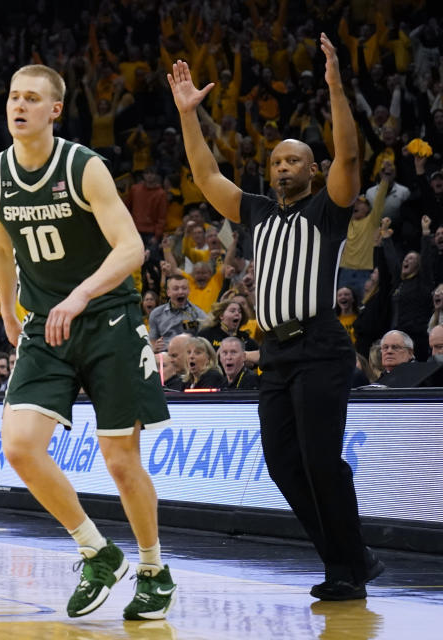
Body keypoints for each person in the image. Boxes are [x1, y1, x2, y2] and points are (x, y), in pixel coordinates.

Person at [170, 35, 382, 600]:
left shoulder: (328, 208)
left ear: (313, 171)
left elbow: (352, 157)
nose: (282, 167)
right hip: (277, 352)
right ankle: (351, 558)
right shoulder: (258, 212)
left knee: (320, 462)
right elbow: (206, 176)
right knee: (284, 465)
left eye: (293, 160)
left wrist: (336, 88)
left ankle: (346, 568)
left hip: (320, 345)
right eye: (276, 161)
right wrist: (189, 116)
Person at [0, 64, 176, 621]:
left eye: (32, 98)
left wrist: (80, 295)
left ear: (54, 110)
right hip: (45, 324)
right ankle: (96, 549)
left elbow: (131, 247)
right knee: (18, 445)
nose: (19, 106)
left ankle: (155, 569)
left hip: (107, 316)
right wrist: (7, 311)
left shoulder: (84, 167)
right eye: (14, 96)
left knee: (119, 459)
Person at [148, 274, 207, 351]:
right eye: (176, 289)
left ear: (189, 291)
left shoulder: (198, 313)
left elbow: (205, 339)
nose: (180, 292)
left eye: (184, 288)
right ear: (168, 292)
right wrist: (154, 348)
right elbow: (152, 341)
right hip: (165, 354)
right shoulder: (156, 314)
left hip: (188, 354)